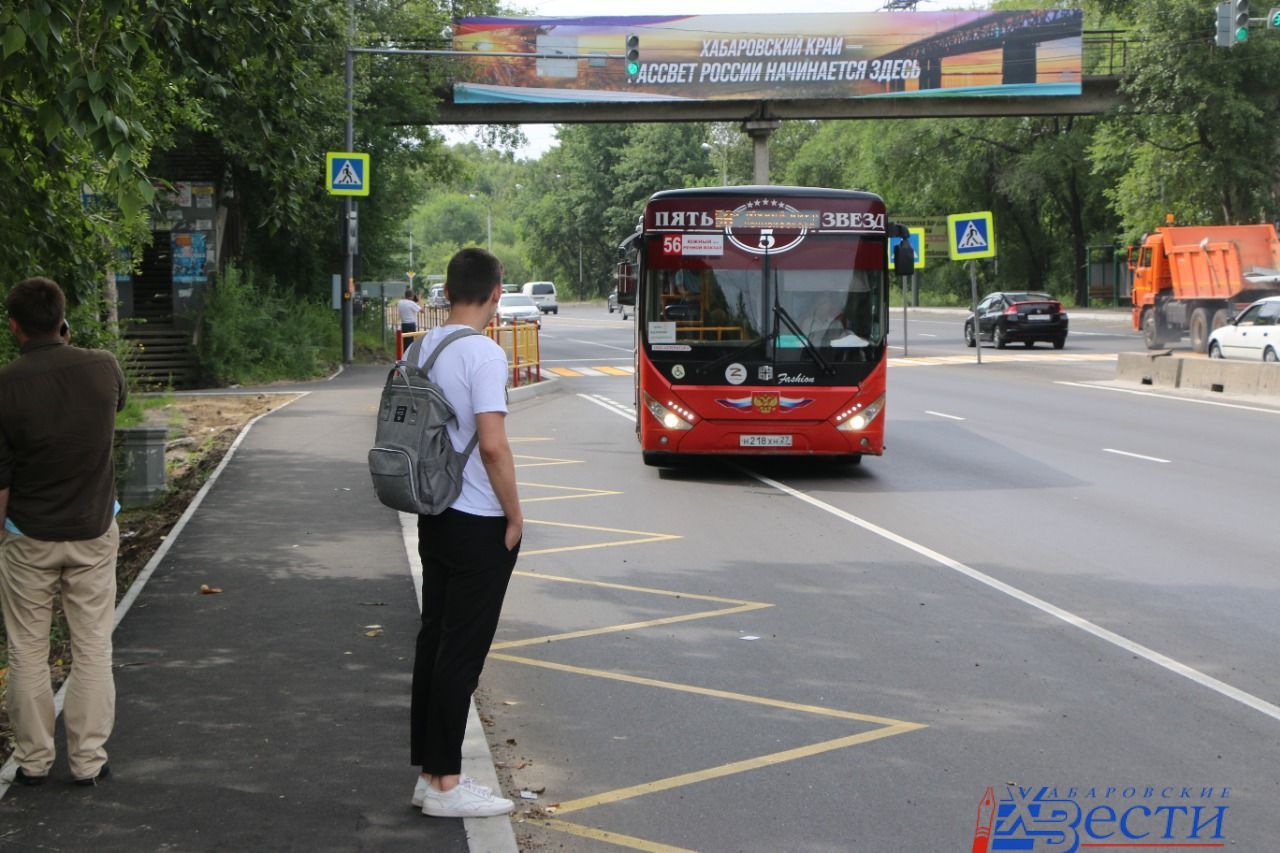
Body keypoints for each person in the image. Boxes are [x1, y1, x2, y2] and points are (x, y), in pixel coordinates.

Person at [408, 248, 523, 819]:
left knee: (435, 639)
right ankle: (447, 785)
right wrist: (516, 517)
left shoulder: (421, 347)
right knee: (462, 650)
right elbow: (494, 444)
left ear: (447, 290)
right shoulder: (484, 354)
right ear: (496, 292)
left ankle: (430, 774)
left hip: (433, 511)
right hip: (478, 517)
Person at [0, 277, 127, 787]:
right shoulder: (103, 367)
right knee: (93, 643)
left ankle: (32, 761)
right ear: (63, 318)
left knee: (27, 646)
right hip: (93, 528)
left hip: (28, 533)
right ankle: (88, 761)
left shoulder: (5, 384)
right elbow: (114, 408)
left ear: (14, 326)